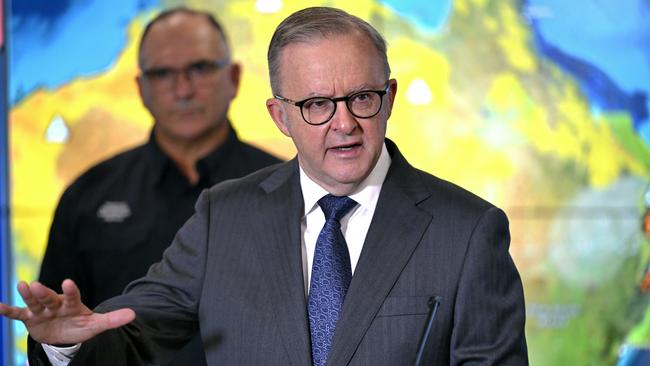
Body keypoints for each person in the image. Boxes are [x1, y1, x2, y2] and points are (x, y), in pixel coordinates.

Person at [0, 6, 528, 365]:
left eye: (361, 98)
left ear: (388, 98)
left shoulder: (468, 231)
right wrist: (67, 344)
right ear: (280, 116)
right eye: (317, 104)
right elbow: (134, 335)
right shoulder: (223, 215)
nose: (343, 124)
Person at [33, 7, 280, 366]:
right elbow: (55, 329)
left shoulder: (288, 187)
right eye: (163, 73)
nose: (183, 89)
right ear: (141, 88)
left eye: (199, 68)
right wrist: (58, 347)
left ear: (234, 77)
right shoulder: (87, 196)